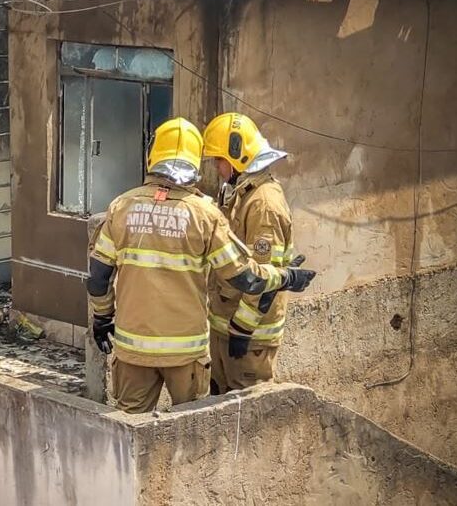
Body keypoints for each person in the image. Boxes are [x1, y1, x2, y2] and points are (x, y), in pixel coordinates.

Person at [86, 117, 315, 413]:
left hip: (133, 352)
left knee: (128, 433)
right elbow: (245, 277)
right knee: (194, 433)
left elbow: (98, 277)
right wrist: (286, 277)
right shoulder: (205, 214)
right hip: (187, 355)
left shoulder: (121, 207)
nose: (217, 168)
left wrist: (103, 318)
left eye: (219, 160)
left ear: (152, 154)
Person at [203, 112, 297, 393]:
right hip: (227, 326)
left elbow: (263, 276)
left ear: (237, 157)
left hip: (250, 338)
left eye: (219, 160)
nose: (217, 168)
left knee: (244, 413)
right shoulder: (240, 193)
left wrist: (243, 329)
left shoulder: (263, 204)